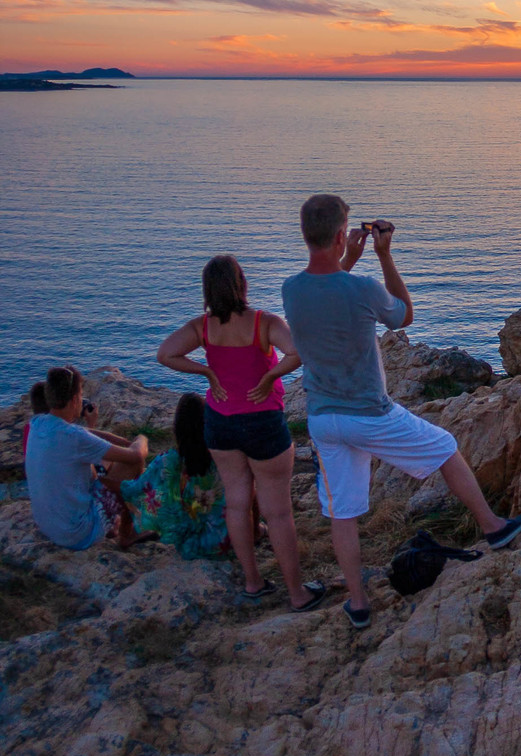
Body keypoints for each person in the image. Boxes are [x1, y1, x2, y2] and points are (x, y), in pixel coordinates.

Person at [281, 196, 521, 629]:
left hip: (323, 419)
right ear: (342, 235)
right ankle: (493, 527)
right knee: (446, 447)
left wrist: (347, 260)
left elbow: (327, 292)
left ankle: (358, 604)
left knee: (344, 512)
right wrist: (384, 255)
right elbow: (403, 317)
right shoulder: (362, 289)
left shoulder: (291, 289)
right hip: (369, 413)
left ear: (306, 235)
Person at [156, 255, 323, 609]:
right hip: (263, 423)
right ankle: (297, 594)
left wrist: (207, 373)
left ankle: (253, 583)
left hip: (220, 423)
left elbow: (165, 354)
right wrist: (269, 377)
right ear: (242, 284)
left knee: (236, 502)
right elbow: (299, 352)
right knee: (277, 513)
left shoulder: (203, 327)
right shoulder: (264, 323)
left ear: (207, 289)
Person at [23, 366, 151, 551]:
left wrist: (119, 440)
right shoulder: (74, 436)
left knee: (104, 475)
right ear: (75, 399)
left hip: (49, 527)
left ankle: (116, 519)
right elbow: (136, 455)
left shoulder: (37, 423)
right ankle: (126, 534)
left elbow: (84, 433)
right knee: (133, 465)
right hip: (78, 533)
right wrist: (141, 439)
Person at [120, 392, 230, 561]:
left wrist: (125, 532)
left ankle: (129, 536)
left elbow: (130, 491)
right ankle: (257, 531)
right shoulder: (222, 459)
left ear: (177, 428)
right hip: (224, 543)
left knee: (140, 487)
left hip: (186, 546)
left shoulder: (167, 462)